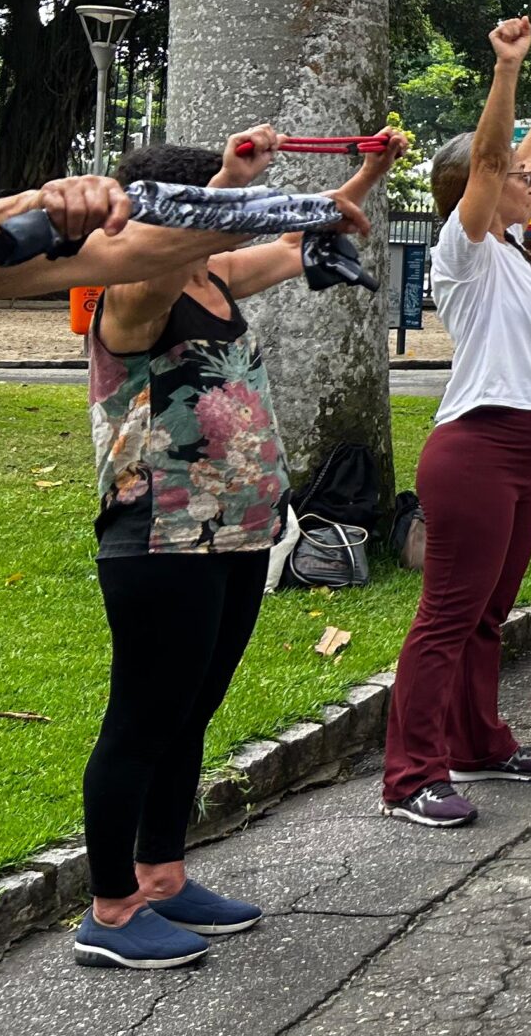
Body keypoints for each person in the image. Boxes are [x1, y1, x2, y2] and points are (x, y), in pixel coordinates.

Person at [71, 125, 392, 965]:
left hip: (238, 534)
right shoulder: (133, 294)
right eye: (210, 213)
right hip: (163, 537)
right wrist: (226, 183)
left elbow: (299, 238)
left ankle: (162, 876)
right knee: (142, 720)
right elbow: (167, 257)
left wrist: (368, 172)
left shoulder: (212, 276)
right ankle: (110, 912)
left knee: (189, 714)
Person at [381, 20, 531, 836]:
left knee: (489, 613)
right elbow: (499, 157)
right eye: (514, 175)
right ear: (477, 186)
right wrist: (507, 70)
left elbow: (521, 153)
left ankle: (475, 744)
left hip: (521, 459)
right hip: (477, 453)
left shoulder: (510, 245)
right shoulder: (462, 251)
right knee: (447, 617)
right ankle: (410, 777)